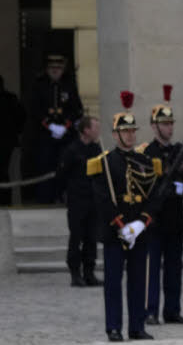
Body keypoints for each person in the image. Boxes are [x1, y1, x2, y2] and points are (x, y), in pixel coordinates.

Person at [88, 91, 160, 342]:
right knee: (113, 283)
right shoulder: (105, 163)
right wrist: (122, 226)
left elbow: (155, 196)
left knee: (139, 281)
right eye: (125, 131)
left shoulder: (146, 161)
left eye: (133, 131)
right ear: (116, 134)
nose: (130, 135)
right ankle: (114, 327)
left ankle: (137, 326)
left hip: (139, 229)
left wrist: (141, 222)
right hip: (115, 232)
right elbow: (102, 199)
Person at [138, 85, 183, 325]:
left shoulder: (181, 151)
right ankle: (150, 310)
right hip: (154, 218)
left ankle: (172, 310)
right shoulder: (146, 152)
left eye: (171, 124)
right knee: (152, 269)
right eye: (164, 124)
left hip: (175, 217)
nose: (169, 128)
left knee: (174, 268)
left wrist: (177, 185)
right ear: (154, 126)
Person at [31, 53, 83, 203]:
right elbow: (35, 109)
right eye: (52, 68)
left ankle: (63, 197)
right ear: (47, 69)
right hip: (45, 136)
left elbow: (76, 109)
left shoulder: (69, 84)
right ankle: (45, 199)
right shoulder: (39, 85)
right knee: (45, 167)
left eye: (58, 68)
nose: (55, 71)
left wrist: (65, 126)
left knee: (65, 166)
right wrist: (50, 125)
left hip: (65, 135)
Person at [58, 114, 101, 287]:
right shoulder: (72, 150)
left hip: (93, 200)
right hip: (77, 200)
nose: (98, 131)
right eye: (95, 128)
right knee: (76, 237)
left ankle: (89, 272)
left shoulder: (96, 149)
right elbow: (62, 175)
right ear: (86, 130)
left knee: (92, 237)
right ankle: (75, 273)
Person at [0, 74, 24, 206]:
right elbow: (21, 118)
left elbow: (20, 117)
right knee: (4, 172)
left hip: (6, 141)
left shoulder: (10, 99)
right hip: (8, 141)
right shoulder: (11, 99)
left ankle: (4, 201)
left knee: (3, 172)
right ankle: (5, 201)